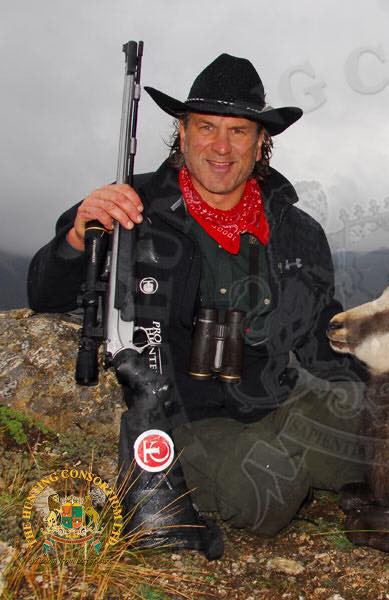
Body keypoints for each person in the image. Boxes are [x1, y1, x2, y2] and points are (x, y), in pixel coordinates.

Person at [27, 53, 367, 555]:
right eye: (206, 127)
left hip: (278, 400)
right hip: (183, 416)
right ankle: (265, 465)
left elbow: (321, 337)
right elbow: (45, 292)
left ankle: (299, 454)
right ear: (181, 133)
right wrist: (79, 234)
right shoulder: (128, 209)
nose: (221, 147)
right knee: (272, 492)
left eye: (239, 131)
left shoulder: (299, 232)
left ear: (261, 142)